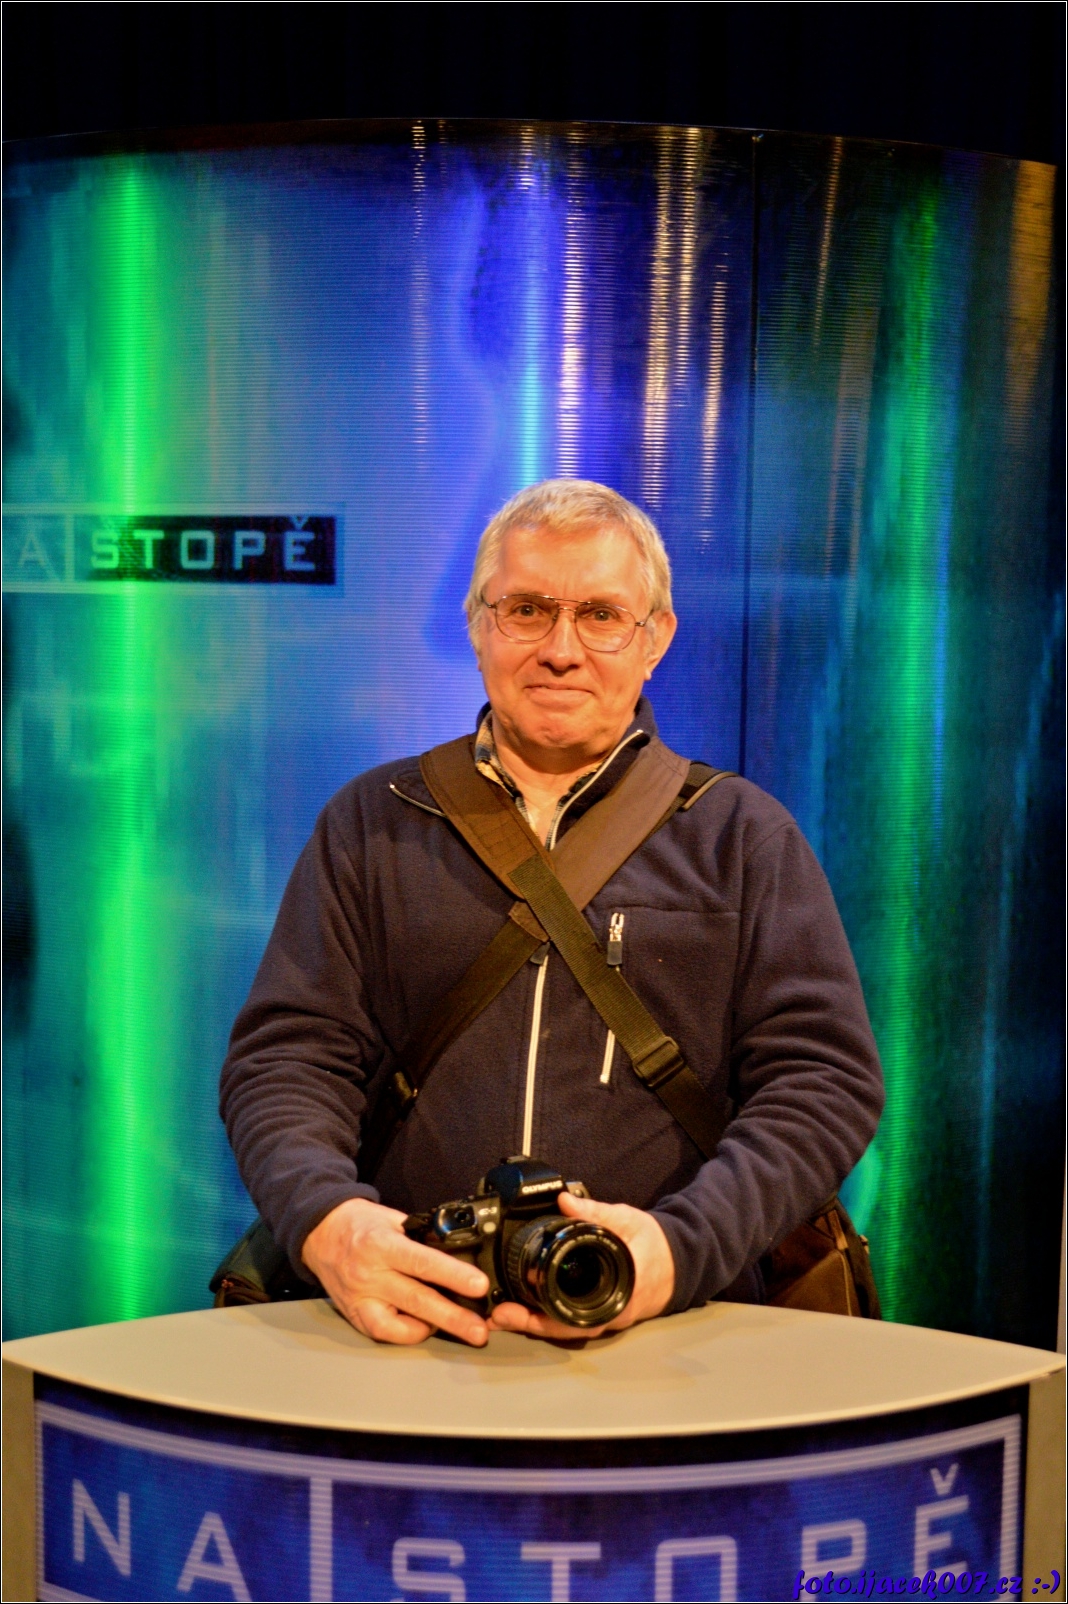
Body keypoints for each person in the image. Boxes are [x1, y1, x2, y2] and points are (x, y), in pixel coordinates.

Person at [220, 479, 883, 1348]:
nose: (562, 650)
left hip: (671, 1336)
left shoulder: (742, 837)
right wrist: (328, 1224)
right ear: (478, 626)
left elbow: (823, 1084)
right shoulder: (373, 824)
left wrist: (678, 1251)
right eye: (527, 610)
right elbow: (286, 1060)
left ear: (656, 639)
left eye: (602, 615)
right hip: (407, 1331)